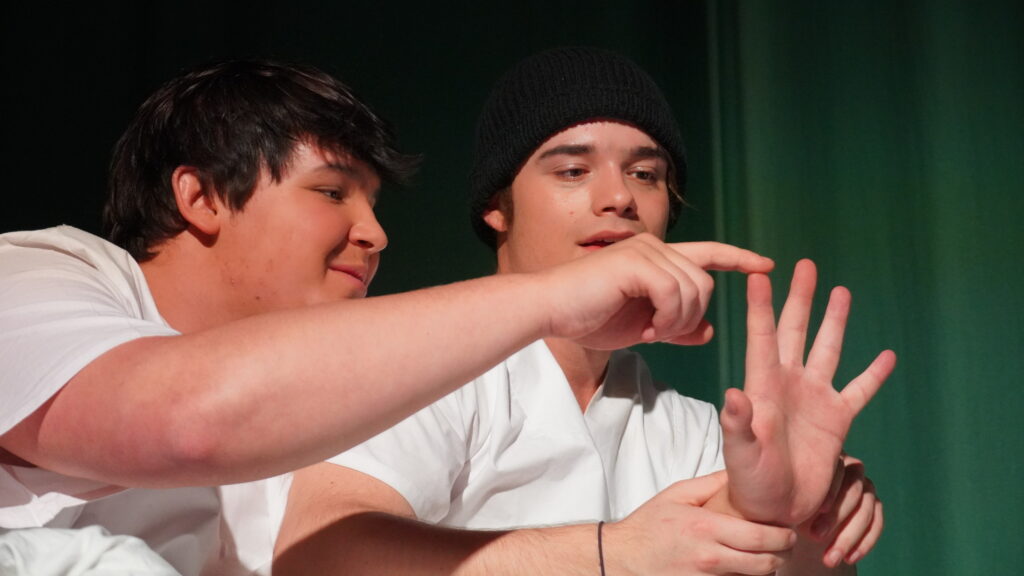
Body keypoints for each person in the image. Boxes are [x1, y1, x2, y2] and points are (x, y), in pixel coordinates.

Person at [0, 59, 774, 575]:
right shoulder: (39, 276)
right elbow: (186, 421)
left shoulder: (328, 401)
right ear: (200, 197)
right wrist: (555, 298)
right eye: (332, 192)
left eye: (374, 203)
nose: (374, 234)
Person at [273, 47, 896, 575]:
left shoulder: (697, 431)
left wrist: (800, 517)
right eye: (573, 170)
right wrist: (610, 554)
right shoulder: (423, 376)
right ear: (496, 207)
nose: (619, 196)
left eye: (646, 174)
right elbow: (315, 557)